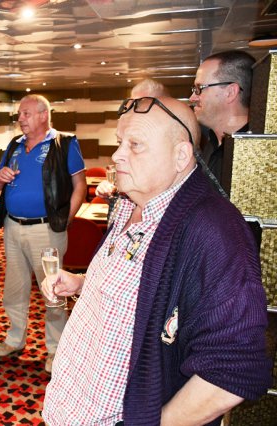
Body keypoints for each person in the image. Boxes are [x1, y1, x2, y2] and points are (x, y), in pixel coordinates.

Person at [42, 96, 271, 425]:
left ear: (181, 156)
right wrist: (82, 283)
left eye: (135, 145)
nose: (117, 155)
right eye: (120, 142)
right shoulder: (129, 200)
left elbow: (233, 370)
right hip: (70, 404)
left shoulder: (214, 231)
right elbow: (142, 290)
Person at [0, 94, 86, 373]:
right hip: (12, 227)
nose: (20, 118)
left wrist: (66, 219)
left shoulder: (64, 143)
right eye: (20, 114)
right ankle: (14, 339)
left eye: (26, 113)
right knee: (14, 287)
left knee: (53, 291)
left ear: (44, 115)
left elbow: (79, 185)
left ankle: (56, 349)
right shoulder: (14, 145)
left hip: (47, 229)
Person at [189, 50, 255, 185]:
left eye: (199, 88)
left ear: (230, 92)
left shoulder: (256, 153)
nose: (192, 98)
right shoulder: (212, 143)